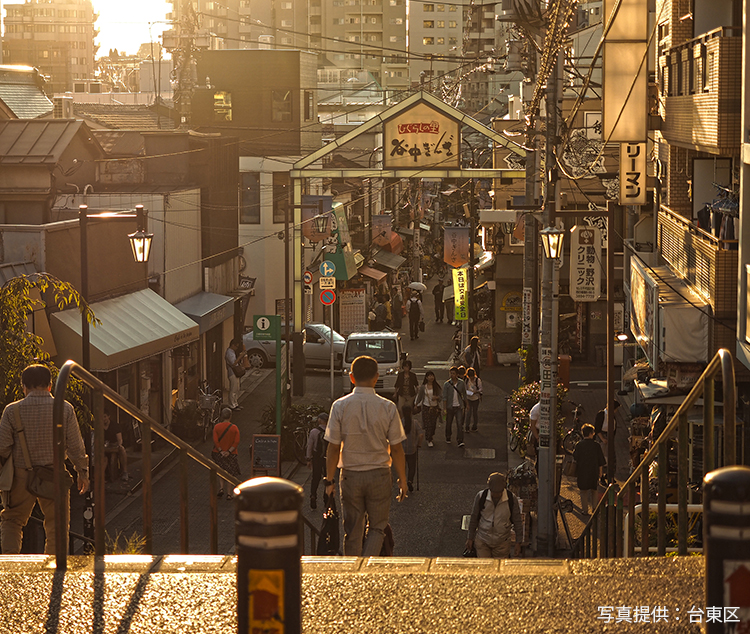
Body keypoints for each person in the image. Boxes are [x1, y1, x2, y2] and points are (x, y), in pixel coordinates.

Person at [0, 364, 89, 554]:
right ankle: (54, 570)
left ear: (24, 386)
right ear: (50, 386)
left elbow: (3, 447)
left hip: (21, 475)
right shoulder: (65, 409)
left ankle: (10, 566)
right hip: (53, 474)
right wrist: (82, 471)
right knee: (57, 525)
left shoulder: (11, 411)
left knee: (12, 520)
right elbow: (75, 445)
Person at [324, 355, 408, 557]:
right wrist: (403, 480)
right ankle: (368, 567)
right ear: (376, 377)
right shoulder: (388, 407)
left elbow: (333, 448)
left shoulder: (340, 406)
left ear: (351, 377)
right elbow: (396, 448)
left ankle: (353, 571)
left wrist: (329, 480)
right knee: (377, 527)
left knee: (352, 530)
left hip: (350, 474)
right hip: (379, 473)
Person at [466, 472, 523, 559]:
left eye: (499, 492)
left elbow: (517, 521)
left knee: (499, 570)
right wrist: (470, 538)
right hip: (483, 539)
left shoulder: (511, 498)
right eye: (493, 492)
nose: (496, 495)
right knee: (484, 569)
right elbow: (474, 518)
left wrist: (518, 542)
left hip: (502, 542)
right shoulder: (481, 496)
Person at [572, 424, 606, 515]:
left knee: (583, 491)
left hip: (582, 471)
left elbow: (575, 457)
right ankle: (594, 509)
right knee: (594, 490)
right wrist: (600, 472)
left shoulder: (579, 445)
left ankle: (585, 510)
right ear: (591, 433)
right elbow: (600, 460)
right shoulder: (596, 445)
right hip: (593, 470)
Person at [213, 407, 241, 499]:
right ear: (230, 416)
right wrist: (229, 451)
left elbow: (215, 441)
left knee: (222, 470)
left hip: (218, 453)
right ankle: (229, 494)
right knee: (230, 473)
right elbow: (236, 442)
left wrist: (221, 451)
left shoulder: (216, 427)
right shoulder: (234, 428)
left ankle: (221, 488)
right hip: (231, 454)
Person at [306, 412, 329, 510]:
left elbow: (310, 446)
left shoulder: (314, 432)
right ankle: (326, 498)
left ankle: (313, 495)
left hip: (317, 458)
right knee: (328, 478)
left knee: (315, 477)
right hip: (328, 458)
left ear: (319, 420)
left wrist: (308, 458)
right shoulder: (331, 431)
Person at [102, 409, 130, 483]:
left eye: (105, 416)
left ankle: (125, 471)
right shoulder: (98, 426)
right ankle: (101, 475)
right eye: (102, 417)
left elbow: (119, 439)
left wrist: (119, 445)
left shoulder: (115, 425)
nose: (103, 419)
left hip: (113, 445)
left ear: (108, 416)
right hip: (103, 446)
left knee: (122, 450)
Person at [415, 371, 442, 448]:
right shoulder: (424, 387)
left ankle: (431, 435)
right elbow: (420, 396)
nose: (431, 377)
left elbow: (441, 396)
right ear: (426, 377)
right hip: (426, 407)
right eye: (429, 376)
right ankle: (428, 439)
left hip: (434, 407)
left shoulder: (436, 386)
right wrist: (416, 404)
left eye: (432, 376)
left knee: (433, 424)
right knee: (427, 424)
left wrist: (436, 397)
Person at [442, 365, 467, 447]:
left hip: (459, 406)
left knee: (460, 424)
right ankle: (448, 436)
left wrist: (466, 404)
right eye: (451, 373)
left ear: (457, 374)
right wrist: (444, 408)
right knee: (448, 423)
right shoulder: (447, 384)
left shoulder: (461, 383)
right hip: (450, 407)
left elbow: (464, 394)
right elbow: (444, 397)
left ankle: (460, 440)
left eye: (453, 373)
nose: (451, 375)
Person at [401, 407, 423, 492]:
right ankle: (410, 480)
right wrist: (419, 444)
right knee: (412, 466)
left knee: (402, 467)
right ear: (411, 413)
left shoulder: (400, 423)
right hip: (412, 449)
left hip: (402, 449)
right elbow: (421, 434)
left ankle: (402, 482)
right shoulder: (415, 423)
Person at [225, 339, 247, 411]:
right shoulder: (229, 353)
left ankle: (235, 403)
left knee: (237, 388)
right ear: (233, 345)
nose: (236, 348)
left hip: (235, 373)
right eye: (236, 346)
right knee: (233, 389)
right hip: (232, 373)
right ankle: (231, 405)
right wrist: (240, 357)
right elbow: (233, 364)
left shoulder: (232, 352)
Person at [464, 367, 483, 433]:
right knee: (468, 413)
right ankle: (467, 427)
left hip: (475, 398)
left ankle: (474, 426)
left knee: (475, 413)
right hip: (469, 398)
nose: (471, 378)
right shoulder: (466, 380)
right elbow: (465, 389)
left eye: (472, 376)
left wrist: (476, 392)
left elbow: (480, 389)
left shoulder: (478, 380)